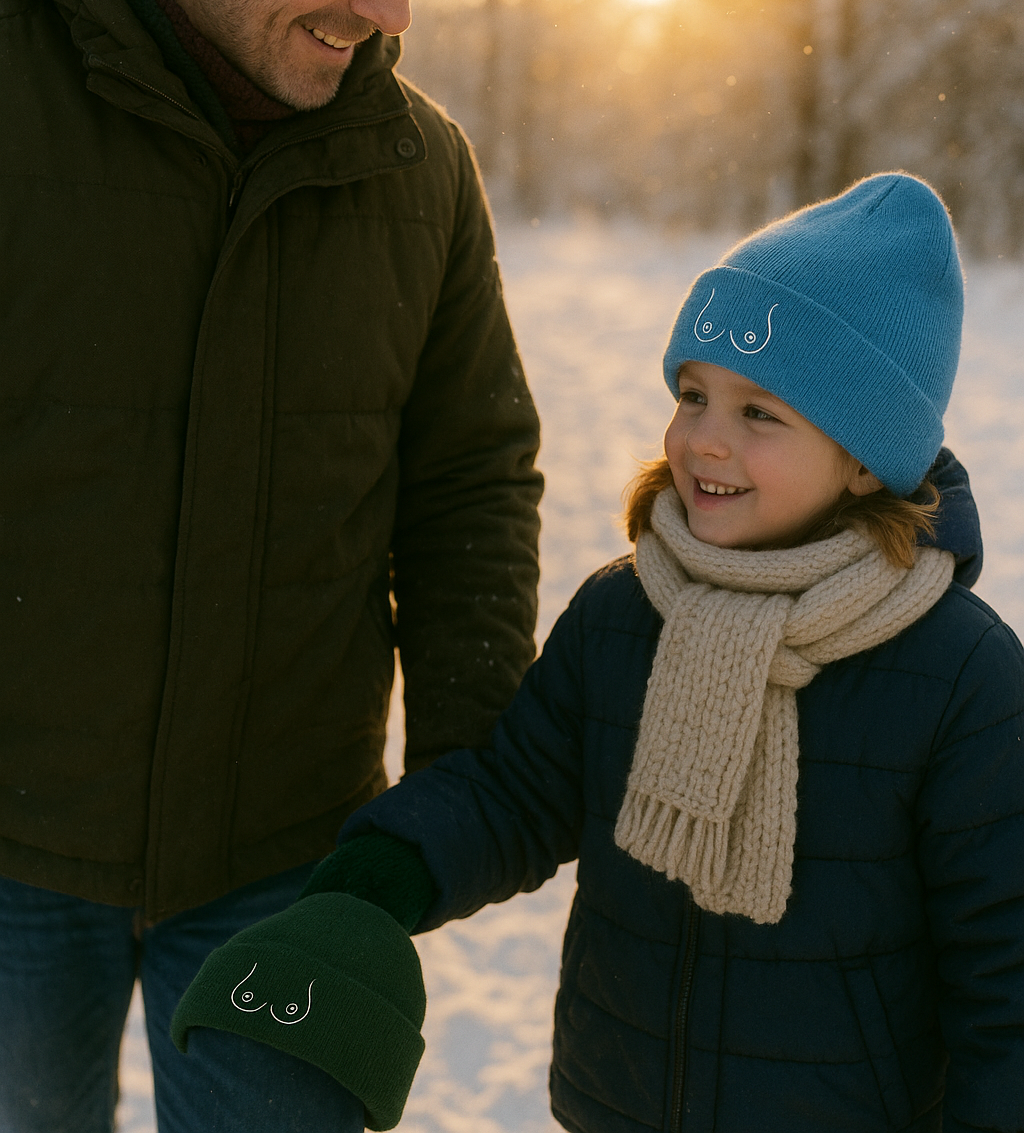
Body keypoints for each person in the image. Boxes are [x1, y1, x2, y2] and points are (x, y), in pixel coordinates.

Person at [0, 0, 542, 1133]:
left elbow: (469, 478)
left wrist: (461, 789)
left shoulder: (416, 170)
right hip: (10, 846)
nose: (395, 8)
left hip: (287, 858)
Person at [179, 173, 1024, 1132]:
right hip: (615, 1103)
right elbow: (519, 791)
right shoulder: (626, 613)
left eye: (760, 413)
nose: (703, 439)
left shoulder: (962, 678)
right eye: (695, 394)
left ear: (868, 457)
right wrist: (382, 879)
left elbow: (1006, 974)